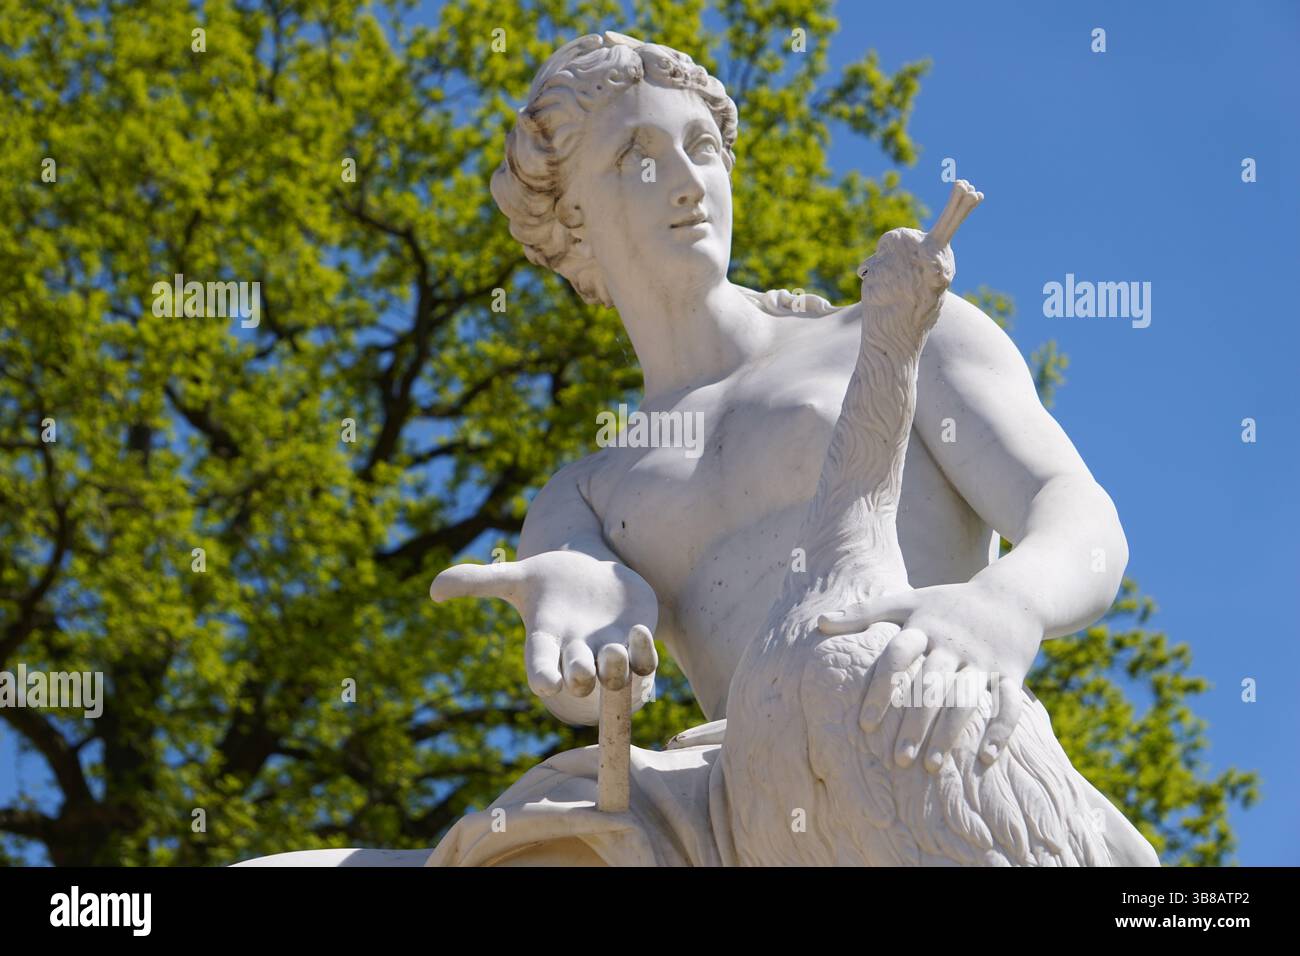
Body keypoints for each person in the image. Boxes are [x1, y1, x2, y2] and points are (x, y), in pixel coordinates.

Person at [427, 31, 1138, 866]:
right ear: (571, 215)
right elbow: (597, 679)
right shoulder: (587, 492)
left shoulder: (892, 334)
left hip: (904, 724)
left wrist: (1007, 604)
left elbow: (1076, 511)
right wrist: (591, 636)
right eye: (638, 155)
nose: (690, 180)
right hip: (718, 796)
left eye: (702, 148)